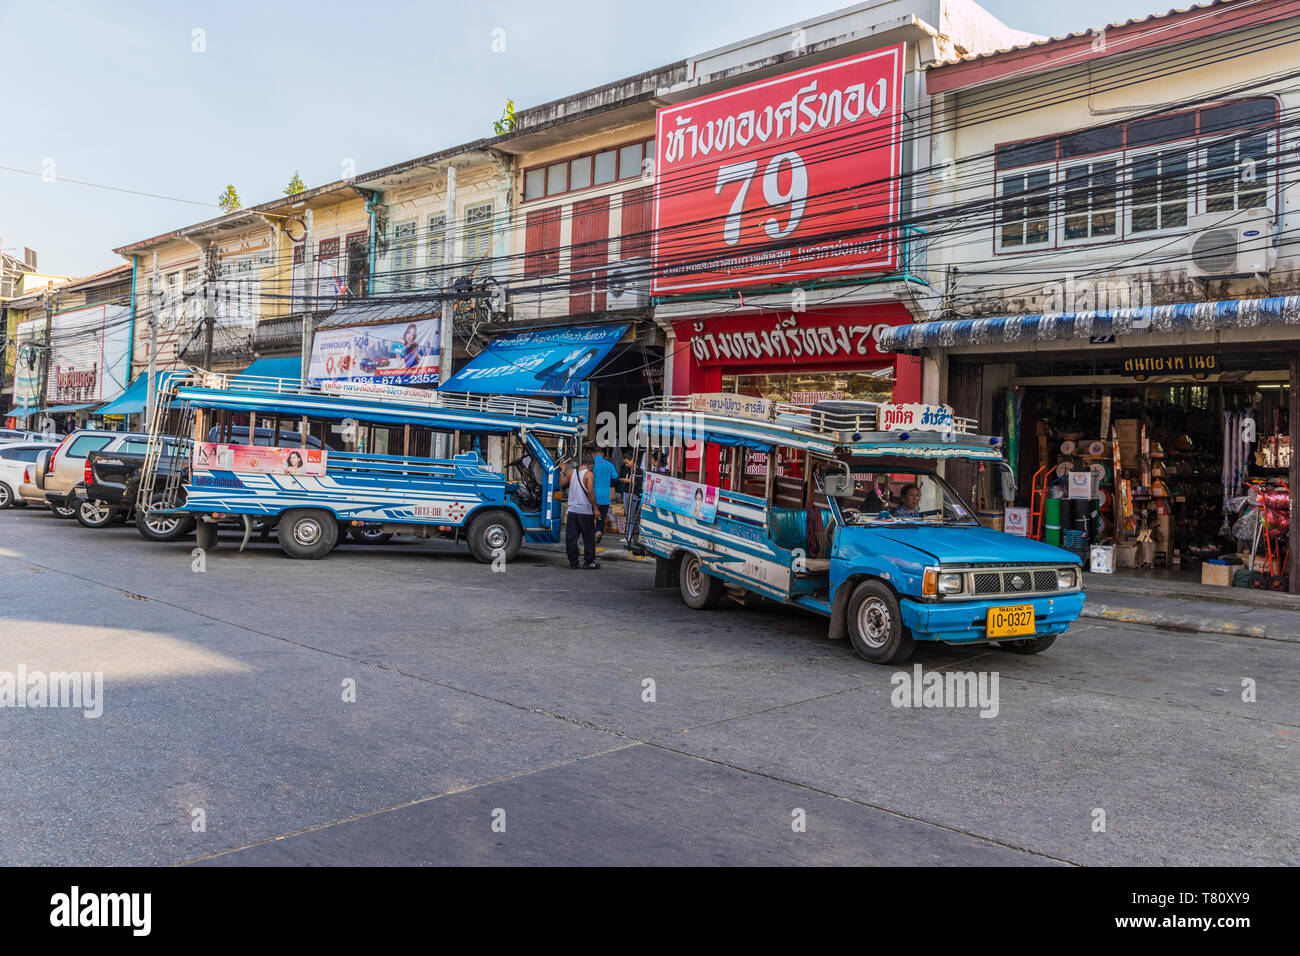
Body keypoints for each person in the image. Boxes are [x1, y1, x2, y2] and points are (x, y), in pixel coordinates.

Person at [560, 455, 599, 569]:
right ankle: (589, 562)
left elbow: (561, 484)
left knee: (571, 538)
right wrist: (595, 509)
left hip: (572, 510)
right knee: (589, 538)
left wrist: (563, 471)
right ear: (591, 465)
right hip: (585, 511)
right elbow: (590, 491)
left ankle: (573, 562)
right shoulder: (589, 474)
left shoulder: (571, 472)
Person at [590, 448, 620, 542]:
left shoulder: (590, 465)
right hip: (605, 497)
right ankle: (598, 533)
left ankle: (591, 535)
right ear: (602, 454)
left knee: (590, 517)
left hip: (592, 496)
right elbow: (615, 479)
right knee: (601, 518)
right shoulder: (609, 464)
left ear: (592, 454)